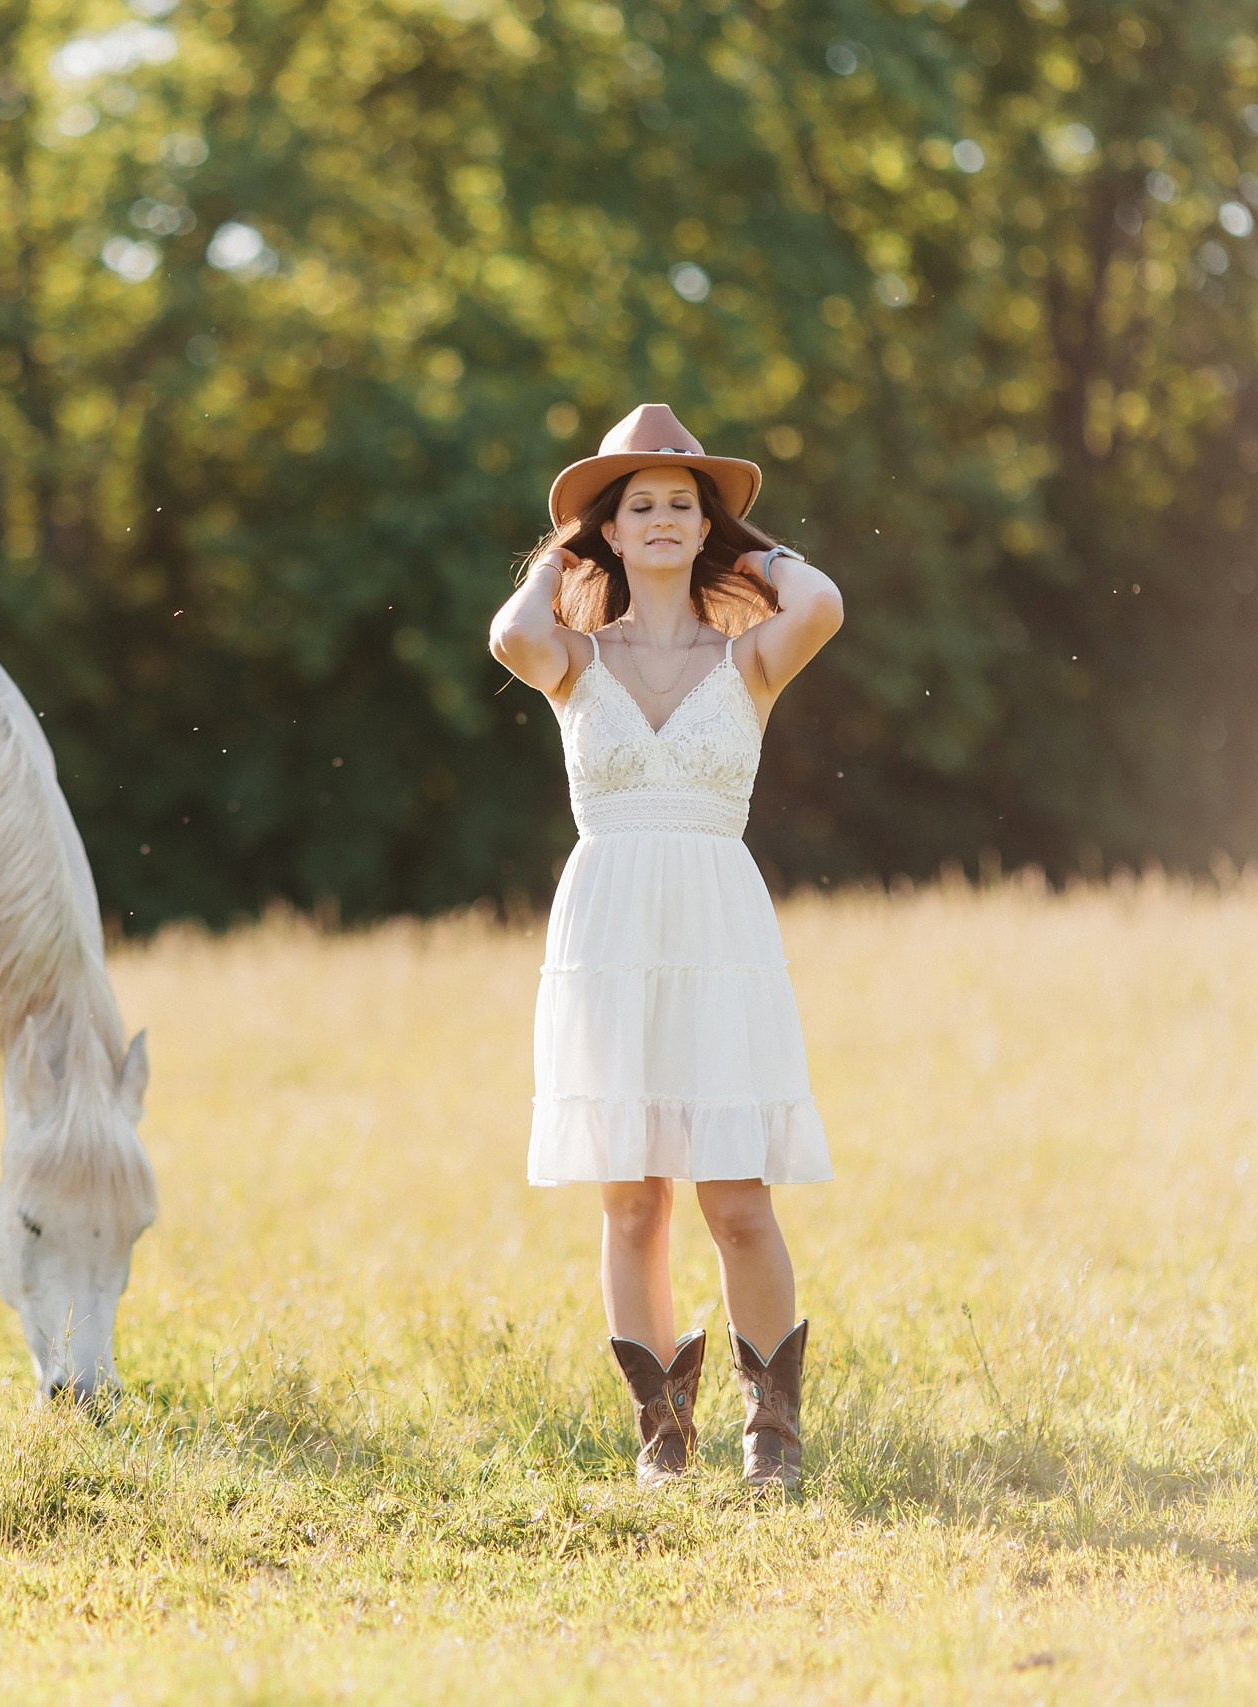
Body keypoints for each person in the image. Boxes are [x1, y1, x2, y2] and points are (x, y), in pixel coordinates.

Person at [487, 404, 844, 1491]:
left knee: (735, 1195)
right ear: (604, 531)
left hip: (714, 926)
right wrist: (563, 551)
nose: (659, 520)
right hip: (608, 931)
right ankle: (661, 1434)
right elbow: (508, 636)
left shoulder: (748, 660)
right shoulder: (570, 655)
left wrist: (747, 541)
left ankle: (770, 1431)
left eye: (679, 506)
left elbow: (822, 600)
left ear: (706, 531)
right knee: (632, 1197)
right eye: (635, 505)